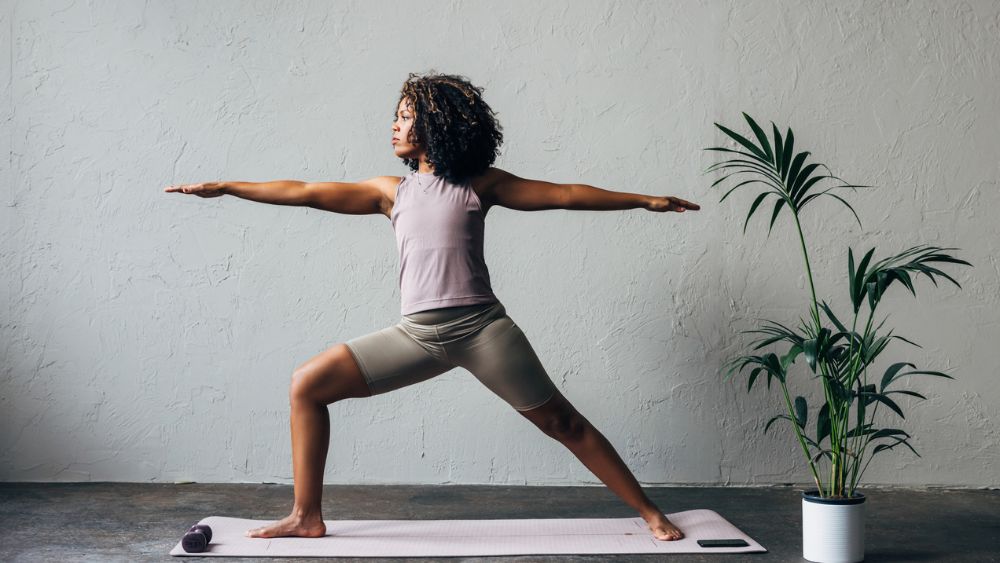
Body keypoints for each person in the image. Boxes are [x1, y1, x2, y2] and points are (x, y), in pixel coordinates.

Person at [164, 71, 700, 542]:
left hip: (483, 329)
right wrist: (228, 187)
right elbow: (305, 190)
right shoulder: (389, 192)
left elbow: (562, 194)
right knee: (307, 384)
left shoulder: (480, 185)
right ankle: (306, 516)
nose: (393, 127)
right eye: (395, 118)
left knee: (563, 422)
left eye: (403, 117)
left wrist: (643, 199)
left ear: (437, 125)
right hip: (417, 336)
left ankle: (650, 512)